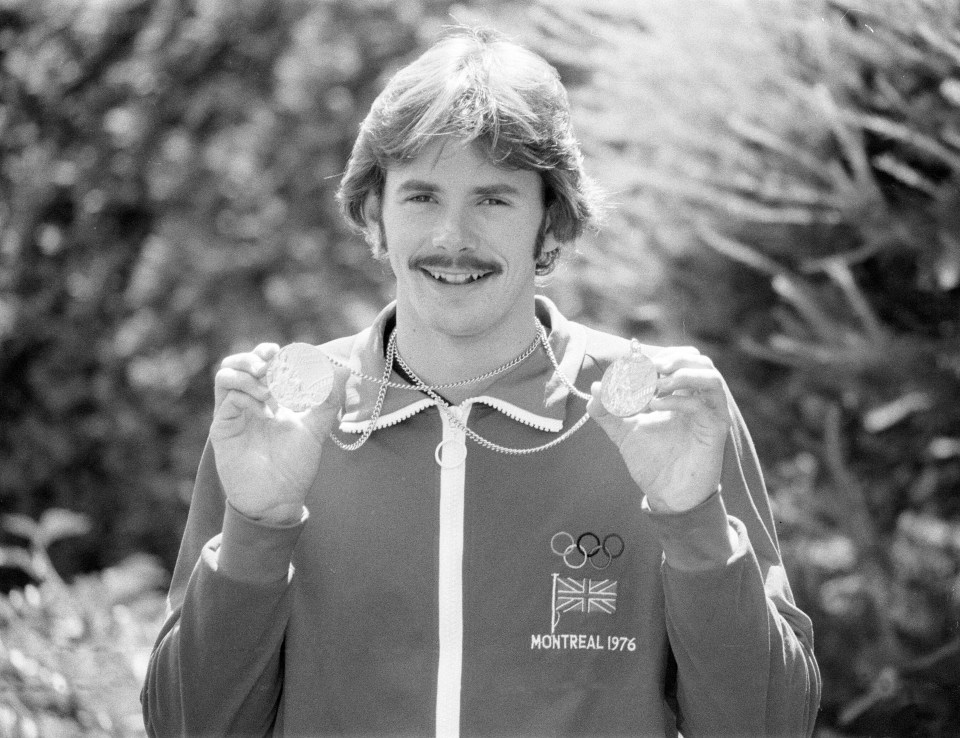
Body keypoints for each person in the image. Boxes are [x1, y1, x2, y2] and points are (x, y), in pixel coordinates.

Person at [142, 26, 821, 737]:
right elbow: (187, 726)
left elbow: (772, 726)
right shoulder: (283, 418)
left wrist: (693, 521)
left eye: (493, 199)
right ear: (376, 215)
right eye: (422, 196)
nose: (453, 237)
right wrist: (258, 529)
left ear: (550, 222)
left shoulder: (662, 416)